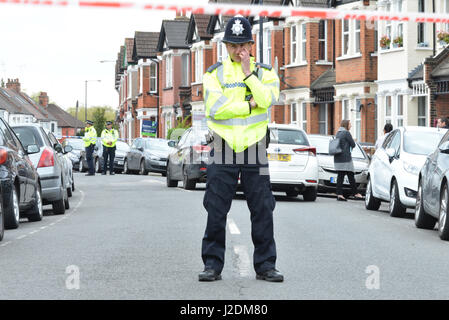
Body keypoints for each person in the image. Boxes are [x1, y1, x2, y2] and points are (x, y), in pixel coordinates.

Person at [199, 16, 283, 282]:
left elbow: (267, 99)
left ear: (251, 44)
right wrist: (248, 106)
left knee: (262, 208)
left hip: (254, 147)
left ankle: (266, 265)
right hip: (222, 145)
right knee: (216, 208)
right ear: (225, 46)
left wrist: (248, 73)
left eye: (242, 45)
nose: (238, 51)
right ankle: (212, 265)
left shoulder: (265, 72)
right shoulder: (214, 74)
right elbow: (216, 109)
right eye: (233, 46)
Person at [334, 120, 363, 201]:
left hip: (338, 157)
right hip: (346, 158)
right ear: (346, 125)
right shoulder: (346, 133)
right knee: (350, 176)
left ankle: (339, 194)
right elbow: (353, 144)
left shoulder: (338, 133)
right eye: (350, 124)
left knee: (340, 176)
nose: (351, 125)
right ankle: (355, 193)